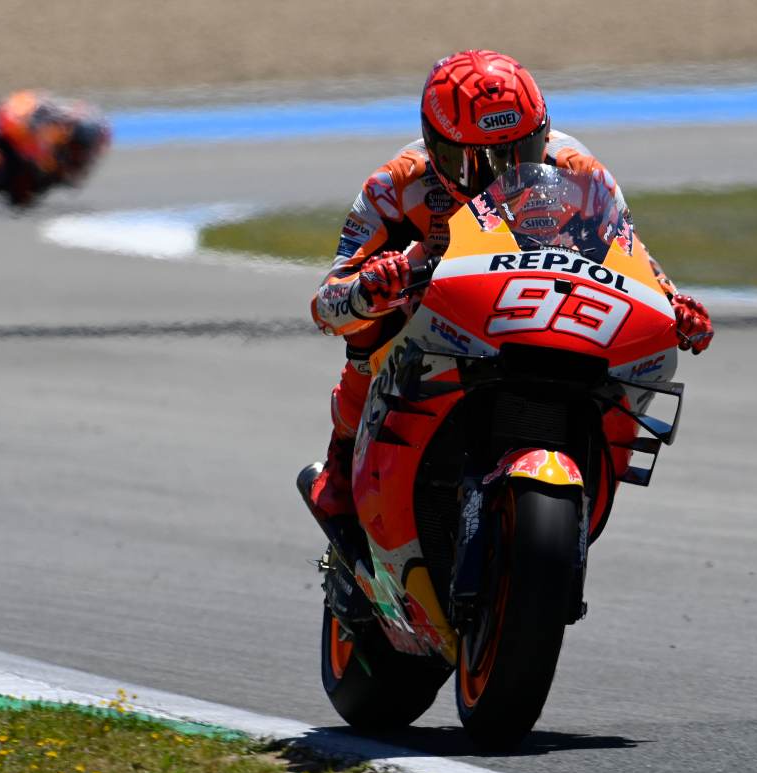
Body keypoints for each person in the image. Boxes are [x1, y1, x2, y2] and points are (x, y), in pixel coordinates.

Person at [304, 49, 714, 521]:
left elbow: (630, 253)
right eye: (475, 163)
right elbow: (326, 302)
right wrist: (367, 290)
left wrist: (671, 304)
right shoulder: (395, 186)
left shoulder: (583, 174)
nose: (501, 176)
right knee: (368, 327)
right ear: (436, 148)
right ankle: (342, 459)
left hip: (542, 315)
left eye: (519, 154)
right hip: (440, 325)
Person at [0, 90, 110, 209]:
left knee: (23, 200)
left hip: (35, 169)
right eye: (78, 146)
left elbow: (73, 178)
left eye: (83, 148)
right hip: (14, 140)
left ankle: (16, 187)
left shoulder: (80, 152)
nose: (80, 151)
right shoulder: (50, 117)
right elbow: (15, 105)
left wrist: (62, 171)